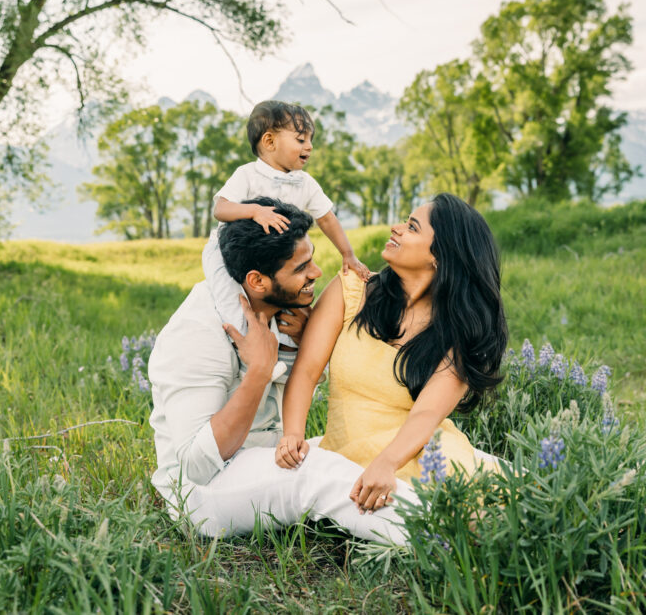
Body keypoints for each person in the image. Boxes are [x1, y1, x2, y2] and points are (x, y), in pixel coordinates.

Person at [147, 197, 412, 543]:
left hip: (265, 453)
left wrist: (305, 348)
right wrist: (259, 371)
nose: (316, 272)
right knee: (314, 474)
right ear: (257, 281)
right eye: (301, 268)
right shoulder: (198, 330)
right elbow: (197, 464)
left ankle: (478, 502)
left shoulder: (277, 316)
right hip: (201, 493)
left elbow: (290, 413)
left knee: (365, 442)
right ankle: (438, 535)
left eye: (312, 259)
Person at [276, 193, 508, 513]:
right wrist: (292, 434)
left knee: (476, 514)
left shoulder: (459, 331)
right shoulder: (352, 289)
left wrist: (386, 463)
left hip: (415, 454)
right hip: (345, 455)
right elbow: (306, 370)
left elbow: (427, 414)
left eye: (411, 227)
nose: (396, 228)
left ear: (439, 256)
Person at [202, 101, 370, 369]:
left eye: (311, 139)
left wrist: (348, 254)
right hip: (228, 254)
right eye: (301, 139)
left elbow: (326, 218)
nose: (310, 146)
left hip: (277, 262)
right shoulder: (247, 174)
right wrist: (254, 211)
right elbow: (221, 208)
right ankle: (240, 345)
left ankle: (287, 354)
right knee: (230, 297)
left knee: (295, 298)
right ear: (269, 141)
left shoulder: (305, 182)